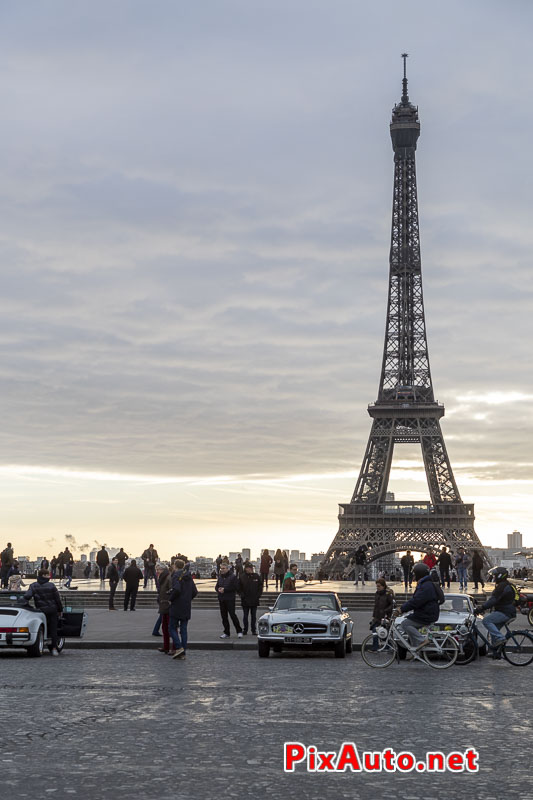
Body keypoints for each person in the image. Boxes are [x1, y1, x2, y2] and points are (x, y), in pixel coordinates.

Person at [476, 566, 517, 658]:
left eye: (495, 576)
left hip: (505, 612)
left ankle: (501, 638)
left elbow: (493, 600)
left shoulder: (501, 587)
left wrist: (481, 608)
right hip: (508, 611)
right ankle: (497, 652)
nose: (493, 578)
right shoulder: (505, 585)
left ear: (500, 576)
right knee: (494, 631)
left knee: (486, 621)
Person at [399, 563, 440, 651]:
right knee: (410, 623)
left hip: (426, 614)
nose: (413, 575)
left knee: (405, 624)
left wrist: (402, 609)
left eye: (414, 574)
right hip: (427, 612)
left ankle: (422, 641)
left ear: (419, 574)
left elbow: (416, 601)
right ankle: (415, 649)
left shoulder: (425, 586)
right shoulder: (426, 584)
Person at [24, 568, 63, 655]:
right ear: (44, 575)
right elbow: (57, 599)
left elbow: (27, 596)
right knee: (53, 629)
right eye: (47, 575)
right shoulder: (51, 585)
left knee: (42, 628)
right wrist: (60, 609)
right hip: (52, 610)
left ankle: (42, 642)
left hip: (41, 610)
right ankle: (53, 649)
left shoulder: (33, 585)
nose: (49, 576)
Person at [169, 559, 198, 659]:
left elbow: (176, 589)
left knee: (172, 627)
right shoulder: (188, 576)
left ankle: (179, 647)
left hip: (177, 605)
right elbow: (195, 591)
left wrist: (170, 599)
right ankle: (183, 652)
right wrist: (187, 598)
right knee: (184, 629)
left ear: (175, 566)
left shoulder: (176, 575)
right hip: (186, 605)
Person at [215, 563, 243, 638]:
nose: (222, 570)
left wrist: (225, 590)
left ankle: (239, 631)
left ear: (228, 569)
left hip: (230, 599)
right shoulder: (220, 577)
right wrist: (218, 589)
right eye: (221, 568)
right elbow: (217, 586)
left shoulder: (233, 577)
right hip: (222, 599)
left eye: (224, 568)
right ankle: (226, 632)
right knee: (224, 617)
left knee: (232, 615)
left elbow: (236, 587)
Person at [237, 562, 262, 635]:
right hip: (245, 600)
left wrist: (258, 595)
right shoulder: (242, 577)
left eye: (251, 568)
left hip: (254, 599)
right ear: (246, 568)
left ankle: (253, 630)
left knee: (253, 616)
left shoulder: (256, 576)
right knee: (245, 616)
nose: (251, 569)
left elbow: (260, 587)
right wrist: (242, 595)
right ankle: (245, 630)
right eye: (249, 568)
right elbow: (239, 588)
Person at [369, 578, 395, 650]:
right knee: (375, 630)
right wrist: (374, 616)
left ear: (383, 586)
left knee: (385, 632)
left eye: (379, 586)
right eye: (377, 586)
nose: (377, 588)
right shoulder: (377, 594)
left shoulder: (388, 593)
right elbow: (376, 605)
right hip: (377, 616)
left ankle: (389, 645)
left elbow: (392, 605)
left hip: (385, 616)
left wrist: (385, 611)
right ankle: (375, 647)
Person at [156, 563, 172, 653]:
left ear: (162, 569)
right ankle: (166, 646)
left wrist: (167, 600)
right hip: (163, 604)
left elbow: (171, 590)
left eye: (158, 570)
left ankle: (173, 647)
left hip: (167, 604)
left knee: (170, 627)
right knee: (164, 627)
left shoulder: (168, 578)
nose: (157, 572)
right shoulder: (162, 578)